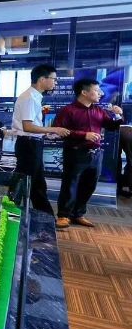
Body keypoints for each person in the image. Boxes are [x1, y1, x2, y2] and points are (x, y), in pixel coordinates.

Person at [52, 79, 124, 228]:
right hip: (76, 153)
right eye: (97, 90)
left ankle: (78, 214)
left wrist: (117, 115)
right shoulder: (68, 110)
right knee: (70, 185)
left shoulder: (98, 110)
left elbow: (112, 126)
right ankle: (63, 215)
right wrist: (83, 135)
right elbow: (59, 131)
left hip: (96, 154)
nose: (100, 93)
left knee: (89, 186)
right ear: (84, 92)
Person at [10, 65, 71, 214]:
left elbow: (31, 126)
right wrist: (53, 129)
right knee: (31, 183)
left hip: (31, 143)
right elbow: (28, 126)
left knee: (30, 181)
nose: (55, 82)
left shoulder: (34, 96)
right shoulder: (30, 97)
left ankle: (15, 211)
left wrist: (45, 133)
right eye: (54, 79)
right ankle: (43, 216)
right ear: (42, 79)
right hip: (28, 144)